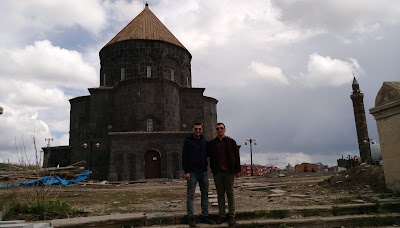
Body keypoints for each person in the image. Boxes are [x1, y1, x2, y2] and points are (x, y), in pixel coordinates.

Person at [182, 122, 215, 227]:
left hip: (203, 172)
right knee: (190, 195)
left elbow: (211, 152)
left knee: (204, 194)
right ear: (193, 130)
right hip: (192, 172)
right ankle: (191, 216)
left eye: (199, 129)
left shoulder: (205, 142)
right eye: (196, 129)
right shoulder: (188, 141)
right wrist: (186, 171)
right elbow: (184, 157)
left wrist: (226, 138)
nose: (198, 131)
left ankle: (205, 215)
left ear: (202, 130)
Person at [208, 122, 240, 227]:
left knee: (230, 193)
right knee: (220, 194)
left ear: (225, 130)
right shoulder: (212, 143)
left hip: (229, 172)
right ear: (215, 130)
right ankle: (222, 215)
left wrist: (237, 169)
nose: (219, 130)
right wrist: (213, 169)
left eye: (221, 128)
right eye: (217, 129)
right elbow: (210, 157)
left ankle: (232, 216)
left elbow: (236, 156)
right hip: (218, 172)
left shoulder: (231, 142)